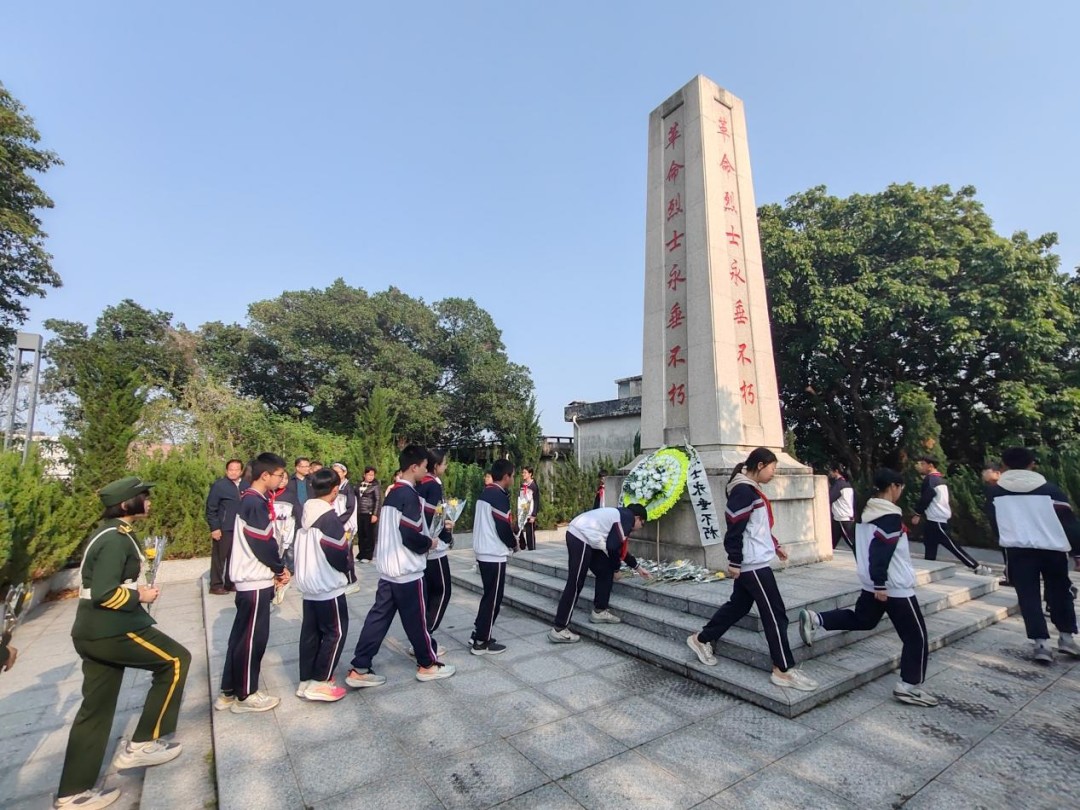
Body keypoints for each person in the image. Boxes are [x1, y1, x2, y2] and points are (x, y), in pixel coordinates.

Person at [55, 477, 192, 810]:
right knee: (175, 661)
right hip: (111, 628)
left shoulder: (113, 533)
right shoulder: (115, 539)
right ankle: (143, 744)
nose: (149, 500)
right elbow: (104, 592)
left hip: (92, 630)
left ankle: (72, 792)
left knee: (96, 709)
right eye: (144, 496)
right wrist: (139, 596)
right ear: (126, 504)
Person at [799, 469, 937, 706]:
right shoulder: (889, 516)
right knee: (917, 636)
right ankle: (909, 686)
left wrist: (873, 580)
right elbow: (880, 551)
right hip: (893, 587)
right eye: (900, 488)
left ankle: (816, 619)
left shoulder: (866, 513)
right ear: (893, 486)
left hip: (874, 583)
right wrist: (880, 583)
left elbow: (861, 548)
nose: (900, 492)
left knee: (863, 620)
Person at [686, 448, 818, 692]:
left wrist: (774, 545)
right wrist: (735, 561)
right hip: (753, 565)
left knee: (739, 606)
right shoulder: (743, 491)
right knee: (775, 614)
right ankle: (782, 669)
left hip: (754, 561)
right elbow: (734, 529)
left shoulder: (749, 489)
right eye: (773, 468)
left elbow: (756, 527)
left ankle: (701, 639)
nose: (773, 473)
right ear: (760, 465)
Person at [345, 445, 455, 687]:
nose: (426, 471)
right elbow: (410, 535)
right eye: (424, 467)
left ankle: (360, 667)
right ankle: (428, 665)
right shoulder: (409, 496)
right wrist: (430, 542)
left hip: (388, 572)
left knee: (377, 620)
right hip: (406, 571)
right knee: (418, 622)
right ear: (414, 467)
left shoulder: (393, 493)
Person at [987, 447, 1080, 664]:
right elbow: (1069, 524)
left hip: (1018, 551)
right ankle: (1066, 638)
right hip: (1053, 549)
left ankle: (1041, 644)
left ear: (1004, 466)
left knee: (1028, 596)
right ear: (1032, 464)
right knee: (1060, 592)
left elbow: (995, 524)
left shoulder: (995, 493)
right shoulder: (1051, 490)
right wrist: (1077, 554)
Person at [215, 453, 292, 714]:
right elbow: (263, 543)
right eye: (279, 475)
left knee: (240, 637)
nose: (282, 479)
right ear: (265, 475)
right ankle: (246, 694)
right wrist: (279, 569)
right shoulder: (254, 502)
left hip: (251, 579)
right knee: (252, 639)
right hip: (254, 579)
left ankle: (229, 690)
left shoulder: (250, 499)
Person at [548, 504, 651, 643]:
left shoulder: (621, 515)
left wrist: (637, 567)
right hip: (580, 536)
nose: (640, 528)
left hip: (589, 540)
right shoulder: (627, 518)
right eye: (642, 524)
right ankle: (559, 629)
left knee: (605, 570)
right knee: (576, 582)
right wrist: (616, 569)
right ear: (638, 518)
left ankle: (600, 611)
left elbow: (619, 548)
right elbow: (613, 547)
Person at [292, 467, 350, 702]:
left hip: (310, 586)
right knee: (335, 632)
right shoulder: (329, 518)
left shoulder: (305, 511)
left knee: (311, 634)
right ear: (335, 490)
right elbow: (338, 554)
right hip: (327, 586)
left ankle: (306, 680)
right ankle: (321, 681)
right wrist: (347, 567)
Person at [912, 456, 992, 575]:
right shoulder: (940, 479)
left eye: (923, 464)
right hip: (934, 519)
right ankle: (929, 567)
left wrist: (918, 513)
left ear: (930, 466)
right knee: (930, 545)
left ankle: (976, 566)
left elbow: (926, 497)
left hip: (937, 519)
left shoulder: (931, 480)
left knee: (951, 545)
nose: (920, 466)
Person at [470, 459, 517, 655]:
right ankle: (482, 641)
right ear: (506, 477)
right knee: (494, 598)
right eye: (513, 476)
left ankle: (478, 632)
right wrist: (513, 543)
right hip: (493, 553)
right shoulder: (498, 496)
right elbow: (503, 527)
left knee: (489, 595)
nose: (513, 480)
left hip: (484, 551)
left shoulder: (486, 493)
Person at [415, 450, 455, 660]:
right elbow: (433, 517)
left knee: (428, 594)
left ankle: (421, 638)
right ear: (436, 465)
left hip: (422, 544)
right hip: (433, 548)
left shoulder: (419, 483)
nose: (446, 467)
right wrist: (445, 534)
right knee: (442, 591)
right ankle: (425, 639)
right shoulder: (433, 485)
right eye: (444, 463)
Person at [205, 459, 244, 594]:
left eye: (236, 469)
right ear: (226, 471)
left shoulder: (245, 485)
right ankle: (215, 585)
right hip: (224, 527)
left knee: (235, 557)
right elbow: (211, 508)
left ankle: (230, 582)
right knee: (219, 557)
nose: (233, 472)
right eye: (231, 469)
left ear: (241, 471)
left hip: (239, 528)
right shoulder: (220, 486)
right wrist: (215, 527)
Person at [330, 462, 361, 593]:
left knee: (346, 553)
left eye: (338, 472)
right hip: (336, 524)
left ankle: (352, 580)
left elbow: (350, 509)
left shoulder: (349, 488)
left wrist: (339, 521)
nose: (336, 474)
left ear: (344, 473)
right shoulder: (334, 486)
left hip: (346, 525)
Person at [982, 463, 1011, 587]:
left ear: (998, 473)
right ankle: (1010, 574)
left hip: (1006, 524)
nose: (984, 475)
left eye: (987, 472)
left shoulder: (1003, 488)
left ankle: (1011, 576)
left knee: (1008, 550)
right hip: (999, 524)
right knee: (1006, 550)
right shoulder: (992, 488)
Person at [827, 462, 855, 552]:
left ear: (836, 471)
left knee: (853, 544)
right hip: (841, 518)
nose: (830, 473)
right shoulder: (847, 483)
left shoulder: (839, 485)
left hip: (842, 519)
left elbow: (829, 498)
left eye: (831, 471)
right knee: (830, 544)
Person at [355, 466, 381, 563]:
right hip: (359, 512)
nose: (370, 477)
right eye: (369, 475)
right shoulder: (358, 485)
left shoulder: (375, 486)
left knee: (369, 534)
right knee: (361, 534)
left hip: (369, 512)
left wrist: (375, 514)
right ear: (364, 475)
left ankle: (368, 555)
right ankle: (361, 554)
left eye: (372, 475)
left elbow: (378, 500)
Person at [518, 466, 540, 551]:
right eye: (522, 472)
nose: (523, 474)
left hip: (530, 513)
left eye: (525, 472)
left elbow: (536, 501)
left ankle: (532, 549)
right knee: (517, 528)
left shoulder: (533, 486)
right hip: (522, 511)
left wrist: (534, 515)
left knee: (529, 532)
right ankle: (522, 544)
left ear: (530, 474)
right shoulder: (522, 485)